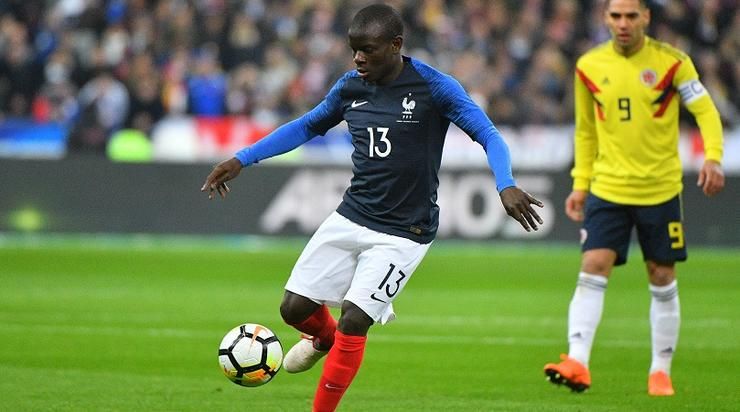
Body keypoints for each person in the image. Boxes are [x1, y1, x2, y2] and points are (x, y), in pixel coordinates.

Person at [202, 4, 543, 411]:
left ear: (396, 45)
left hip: (405, 232)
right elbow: (307, 125)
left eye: (367, 49)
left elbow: (489, 134)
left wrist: (506, 184)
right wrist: (242, 158)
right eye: (353, 50)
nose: (358, 58)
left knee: (354, 318)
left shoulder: (435, 87)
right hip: (353, 214)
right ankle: (321, 339)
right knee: (293, 308)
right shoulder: (351, 87)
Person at [543, 0, 725, 397]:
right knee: (593, 265)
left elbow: (706, 111)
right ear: (605, 19)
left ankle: (660, 371)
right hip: (607, 188)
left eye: (630, 16)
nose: (623, 23)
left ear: (646, 17)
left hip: (659, 190)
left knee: (661, 275)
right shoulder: (589, 66)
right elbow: (586, 132)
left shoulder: (673, 63)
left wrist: (712, 156)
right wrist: (580, 183)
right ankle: (577, 361)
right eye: (615, 16)